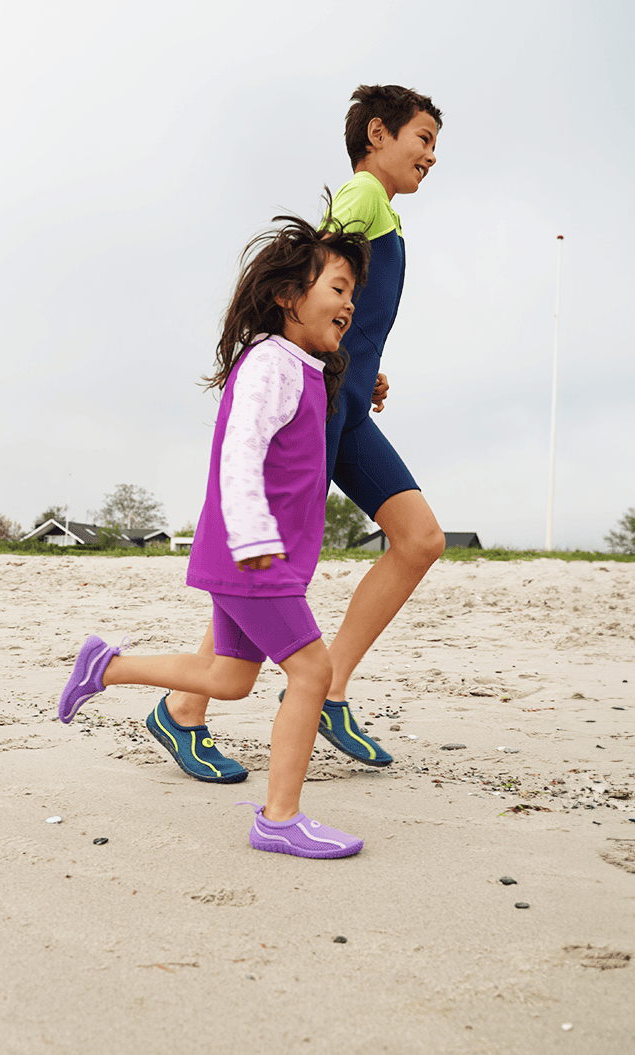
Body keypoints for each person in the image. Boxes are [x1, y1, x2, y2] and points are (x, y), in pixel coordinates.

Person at [58, 208, 370, 859]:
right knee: (312, 669)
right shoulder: (270, 362)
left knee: (226, 677)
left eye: (351, 293)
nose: (348, 303)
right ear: (289, 296)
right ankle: (279, 818)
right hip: (251, 557)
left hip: (252, 557)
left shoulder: (301, 366)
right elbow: (239, 448)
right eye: (337, 288)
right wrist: (254, 539)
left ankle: (106, 666)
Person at [162, 85, 447, 775]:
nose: (431, 157)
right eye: (422, 139)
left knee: (418, 540)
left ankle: (330, 687)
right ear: (376, 134)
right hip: (319, 411)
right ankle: (181, 709)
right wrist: (317, 358)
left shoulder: (382, 213)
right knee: (271, 566)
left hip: (346, 405)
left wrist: (361, 365)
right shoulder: (361, 197)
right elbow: (316, 283)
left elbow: (348, 308)